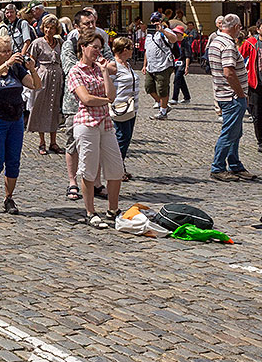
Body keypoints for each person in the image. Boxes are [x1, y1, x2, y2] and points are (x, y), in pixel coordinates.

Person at [0, 35, 41, 214]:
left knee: (13, 161)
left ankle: (9, 198)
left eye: (9, 51)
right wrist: (5, 65)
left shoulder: (16, 69)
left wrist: (32, 70)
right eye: (4, 51)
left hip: (15, 118)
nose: (8, 54)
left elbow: (36, 85)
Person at [68, 36, 122, 228]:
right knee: (88, 170)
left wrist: (105, 71)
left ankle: (113, 209)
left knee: (116, 168)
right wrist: (106, 101)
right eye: (94, 47)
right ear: (83, 47)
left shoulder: (100, 69)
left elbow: (112, 95)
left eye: (101, 48)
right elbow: (86, 99)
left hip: (105, 123)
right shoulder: (75, 71)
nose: (98, 51)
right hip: (86, 123)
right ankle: (90, 212)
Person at [207, 14, 257, 181]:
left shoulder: (215, 41)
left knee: (235, 132)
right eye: (240, 26)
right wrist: (241, 93)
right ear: (235, 26)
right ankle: (218, 166)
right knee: (229, 132)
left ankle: (235, 164)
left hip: (224, 93)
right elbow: (228, 72)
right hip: (232, 95)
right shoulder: (227, 45)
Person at [25, 15, 64, 153]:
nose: (49, 30)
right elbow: (31, 60)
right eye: (47, 27)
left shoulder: (60, 42)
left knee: (55, 108)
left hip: (57, 76)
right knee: (40, 106)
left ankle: (53, 142)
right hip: (43, 75)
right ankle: (42, 142)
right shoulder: (37, 43)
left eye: (52, 28)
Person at [107, 36, 139, 171]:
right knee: (121, 139)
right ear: (124, 50)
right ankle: (116, 168)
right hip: (120, 107)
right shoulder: (113, 66)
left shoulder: (127, 64)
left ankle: (120, 166)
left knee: (126, 138)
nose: (133, 50)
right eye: (131, 48)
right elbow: (108, 85)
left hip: (131, 108)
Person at [142, 13, 179, 119]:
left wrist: (162, 30)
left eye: (157, 21)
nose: (154, 23)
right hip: (151, 65)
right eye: (153, 21)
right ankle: (164, 105)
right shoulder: (148, 34)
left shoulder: (166, 32)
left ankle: (163, 112)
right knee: (148, 87)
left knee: (162, 89)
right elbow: (147, 50)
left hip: (164, 65)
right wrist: (145, 64)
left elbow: (174, 39)